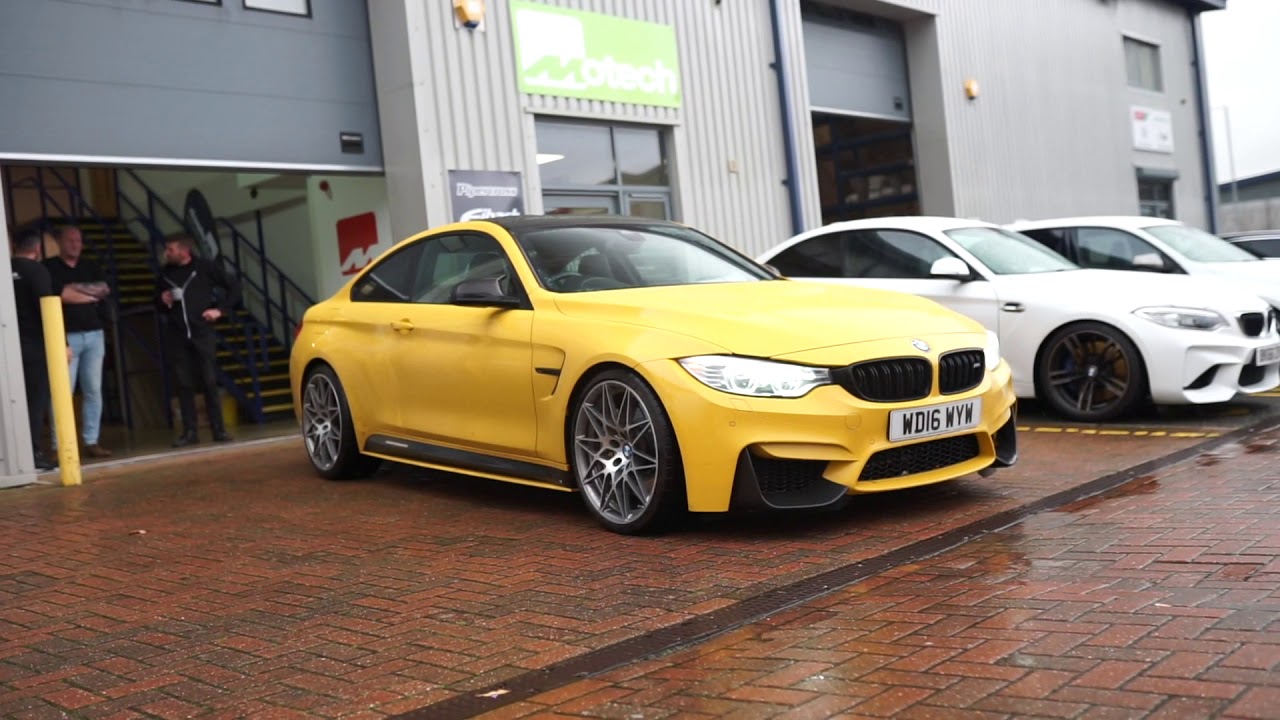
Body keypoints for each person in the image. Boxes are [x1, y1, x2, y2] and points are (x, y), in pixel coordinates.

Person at [157, 233, 241, 447]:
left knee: (209, 381)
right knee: (184, 384)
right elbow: (155, 301)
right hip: (177, 335)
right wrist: (162, 300)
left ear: (184, 250)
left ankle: (219, 430)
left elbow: (234, 287)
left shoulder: (205, 267)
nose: (167, 253)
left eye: (171, 249)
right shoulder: (165, 273)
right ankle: (189, 431)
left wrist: (219, 310)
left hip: (202, 333)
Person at [45, 225, 113, 459]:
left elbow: (103, 290)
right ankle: (59, 445)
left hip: (95, 335)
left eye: (78, 240)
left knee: (93, 390)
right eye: (70, 240)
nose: (75, 244)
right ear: (60, 242)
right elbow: (58, 295)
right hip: (66, 337)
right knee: (62, 392)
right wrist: (87, 293)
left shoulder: (91, 266)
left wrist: (73, 290)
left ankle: (91, 441)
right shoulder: (49, 267)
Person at [11, 225, 66, 471]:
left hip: (9, 346)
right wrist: (61, 343)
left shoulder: (4, 270)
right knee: (35, 401)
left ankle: (13, 453)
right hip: (35, 346)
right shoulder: (38, 271)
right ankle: (31, 452)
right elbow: (48, 308)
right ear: (37, 248)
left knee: (12, 401)